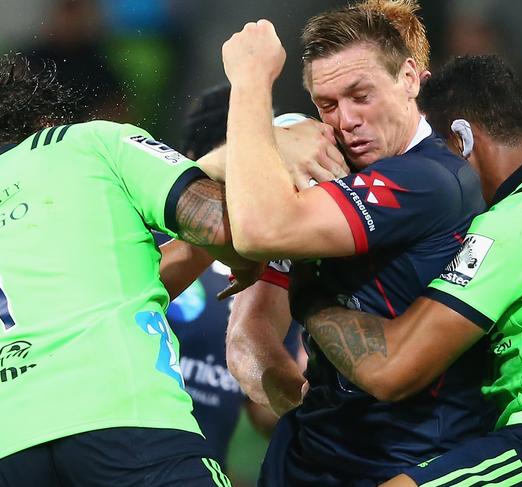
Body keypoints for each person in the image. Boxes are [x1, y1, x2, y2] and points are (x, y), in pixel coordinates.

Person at [293, 55, 522, 487]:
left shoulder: (520, 219)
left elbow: (392, 369)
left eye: (436, 151)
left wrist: (311, 295)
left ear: (461, 138)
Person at [222, 3, 496, 485]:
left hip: (402, 464)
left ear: (410, 78)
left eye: (360, 95)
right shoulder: (324, 181)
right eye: (327, 104)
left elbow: (258, 230)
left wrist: (249, 84)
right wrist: (310, 411)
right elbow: (250, 336)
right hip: (303, 458)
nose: (346, 120)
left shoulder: (433, 179)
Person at [0, 52, 256, 487]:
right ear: (33, 115)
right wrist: (247, 258)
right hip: (123, 420)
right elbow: (218, 224)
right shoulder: (89, 142)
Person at [156, 84, 303, 471]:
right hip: (117, 460)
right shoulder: (147, 249)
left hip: (198, 472)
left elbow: (264, 411)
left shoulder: (273, 275)